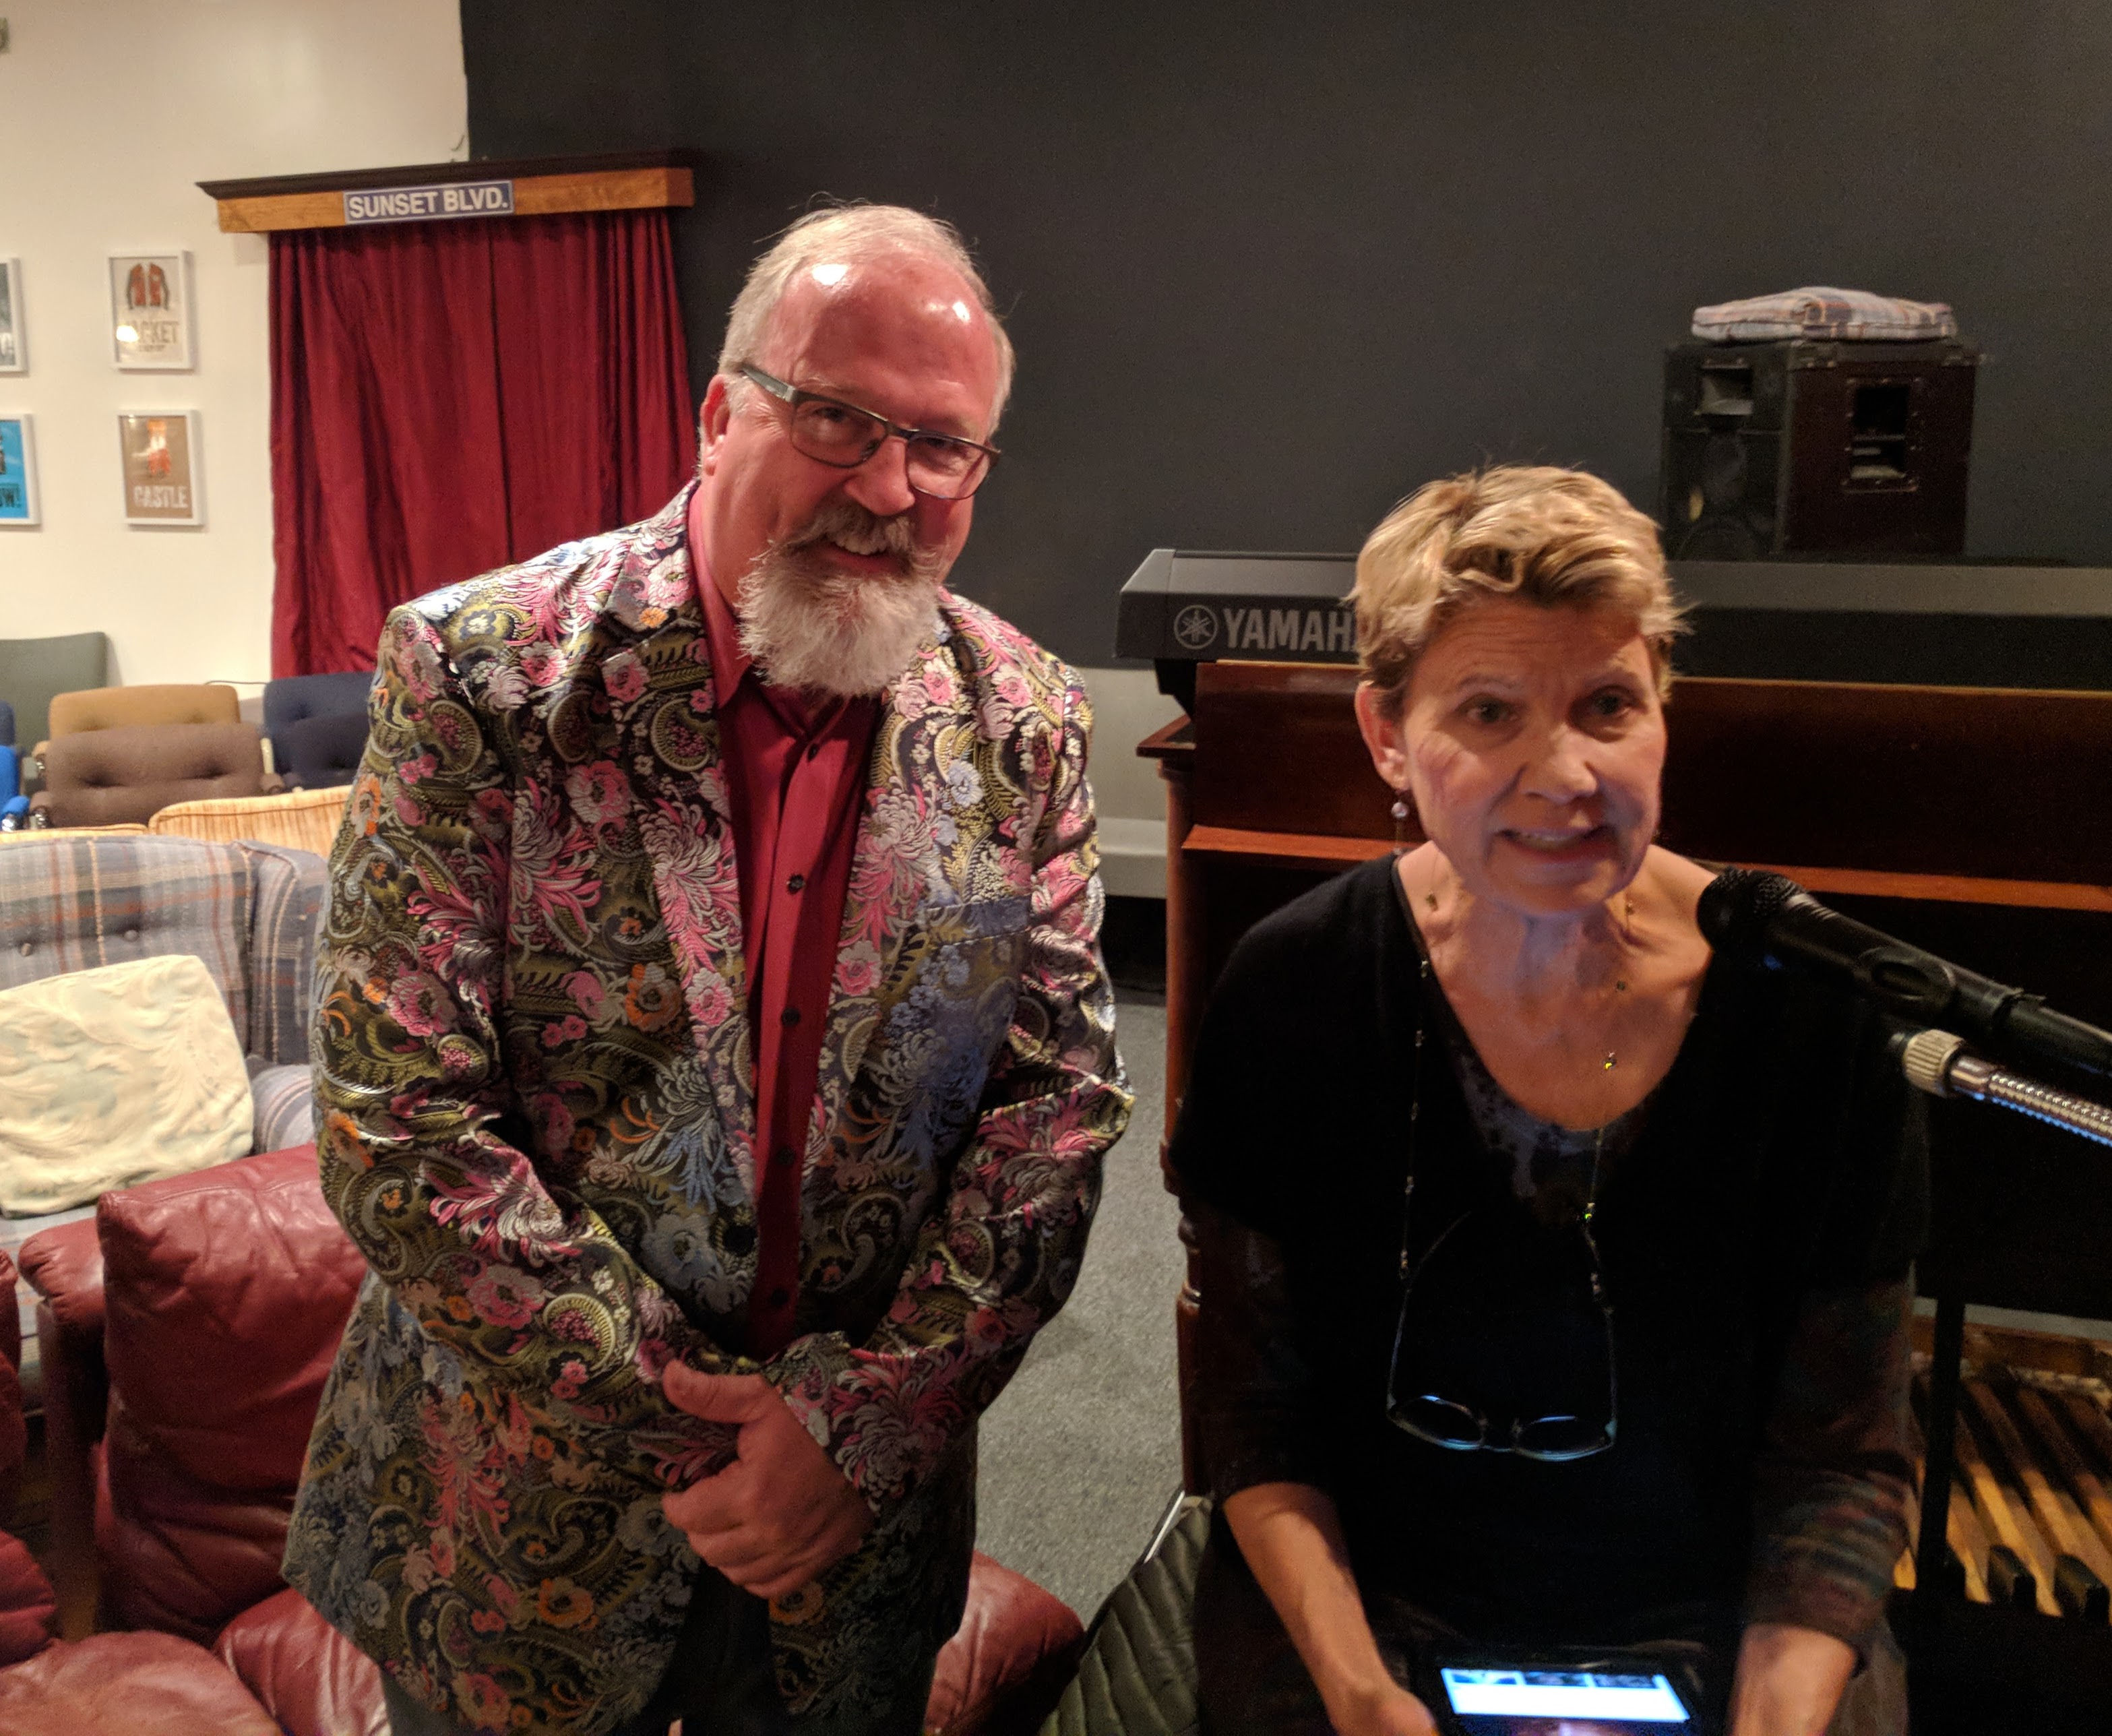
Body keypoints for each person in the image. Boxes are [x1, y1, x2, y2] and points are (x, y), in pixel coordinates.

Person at [283, 205, 1132, 1736]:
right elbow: (393, 1116)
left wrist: (852, 1434)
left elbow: (1053, 1116)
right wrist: (715, 1435)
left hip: (852, 1544)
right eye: (834, 418)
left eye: (942, 447)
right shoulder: (485, 672)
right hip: (513, 1527)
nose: (887, 487)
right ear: (720, 411)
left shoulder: (1028, 719)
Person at [1171, 466, 1925, 1736]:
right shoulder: (1293, 988)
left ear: (1664, 714)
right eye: (1488, 712)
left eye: (1606, 705)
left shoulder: (1814, 1006)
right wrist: (1360, 1694)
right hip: (1374, 1604)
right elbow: (1258, 1419)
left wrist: (1772, 1718)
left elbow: (1839, 1462)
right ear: (1385, 739)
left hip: (1721, 1609)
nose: (1564, 773)